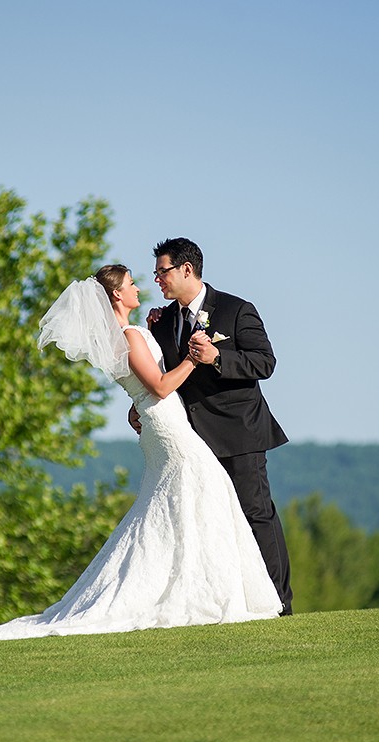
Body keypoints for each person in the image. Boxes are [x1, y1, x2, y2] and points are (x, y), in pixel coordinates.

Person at [0, 265, 281, 643]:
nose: (139, 287)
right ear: (116, 297)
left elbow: (143, 385)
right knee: (194, 492)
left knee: (181, 502)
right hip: (169, 427)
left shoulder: (132, 332)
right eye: (130, 285)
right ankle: (197, 591)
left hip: (162, 421)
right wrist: (194, 358)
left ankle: (199, 586)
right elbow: (158, 386)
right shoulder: (128, 335)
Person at [132, 238, 292, 615]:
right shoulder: (164, 320)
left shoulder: (237, 310)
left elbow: (264, 363)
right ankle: (232, 603)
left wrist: (218, 356)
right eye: (156, 273)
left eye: (162, 271)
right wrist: (138, 407)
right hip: (192, 440)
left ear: (187, 269)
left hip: (240, 433)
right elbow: (163, 377)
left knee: (256, 516)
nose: (157, 279)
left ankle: (280, 604)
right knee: (212, 522)